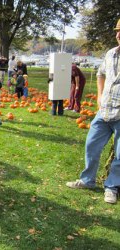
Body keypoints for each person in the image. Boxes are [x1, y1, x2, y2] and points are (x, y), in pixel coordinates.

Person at [66, 19, 120, 204]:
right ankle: (88, 180)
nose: (119, 35)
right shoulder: (111, 53)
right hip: (104, 110)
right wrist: (99, 95)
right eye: (117, 31)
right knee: (91, 145)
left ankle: (112, 187)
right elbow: (100, 74)